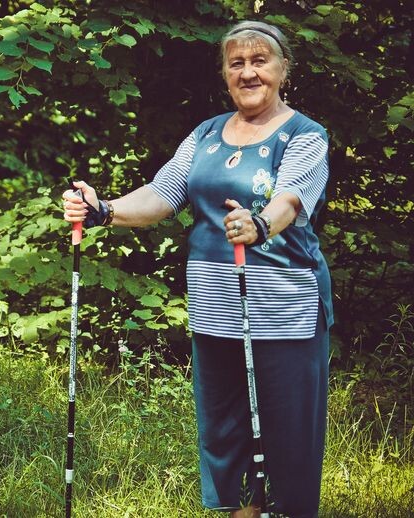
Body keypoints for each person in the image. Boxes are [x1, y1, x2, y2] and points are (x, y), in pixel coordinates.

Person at [62, 20, 332, 517]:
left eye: (260, 61)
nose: (249, 73)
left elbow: (291, 199)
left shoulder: (305, 135)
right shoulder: (206, 133)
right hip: (216, 308)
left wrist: (259, 224)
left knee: (286, 431)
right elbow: (163, 194)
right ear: (225, 74)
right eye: (237, 64)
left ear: (283, 69)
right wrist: (104, 210)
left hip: (283, 310)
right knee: (227, 430)